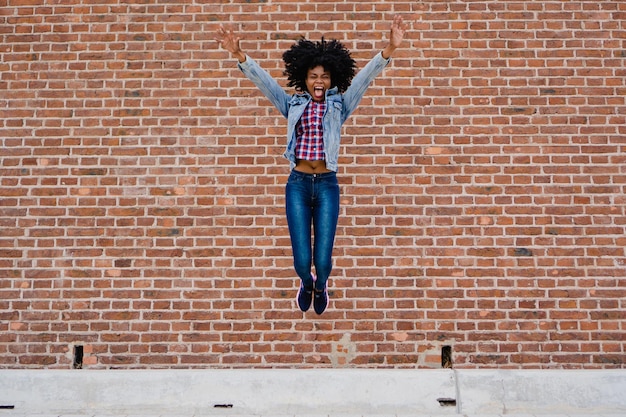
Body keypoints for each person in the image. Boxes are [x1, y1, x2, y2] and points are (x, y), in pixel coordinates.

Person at [216, 15, 406, 315]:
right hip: (298, 185)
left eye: (325, 76)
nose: (320, 81)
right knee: (303, 261)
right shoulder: (292, 104)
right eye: (314, 76)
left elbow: (364, 79)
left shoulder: (339, 105)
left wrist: (389, 49)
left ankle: (322, 283)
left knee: (324, 261)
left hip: (328, 184)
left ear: (332, 80)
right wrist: (240, 55)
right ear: (304, 78)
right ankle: (307, 283)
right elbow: (264, 84)